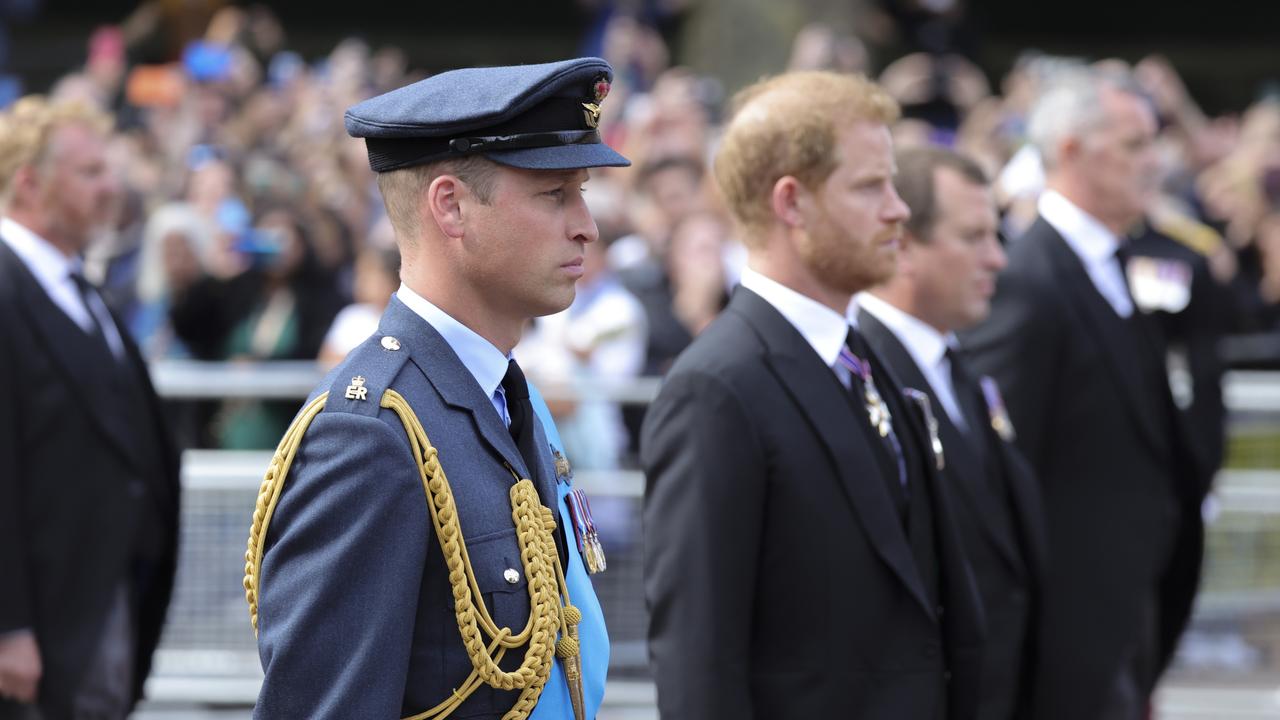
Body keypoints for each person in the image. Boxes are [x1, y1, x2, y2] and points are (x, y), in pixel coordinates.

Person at [246, 57, 629, 719]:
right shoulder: (370, 435)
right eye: (553, 194)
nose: (585, 226)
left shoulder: (509, 394)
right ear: (451, 206)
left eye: (583, 193)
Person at [641, 70, 985, 720]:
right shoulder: (716, 390)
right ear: (792, 203)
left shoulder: (867, 361)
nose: (898, 208)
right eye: (869, 186)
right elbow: (699, 663)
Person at [961, 68, 1208, 720]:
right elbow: (996, 476)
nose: (1153, 162)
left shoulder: (1121, 263)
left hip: (1124, 615)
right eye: (1132, 145)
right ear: (1069, 150)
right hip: (1062, 638)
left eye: (1152, 143)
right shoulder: (1028, 281)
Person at [0, 97, 180, 719]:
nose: (113, 188)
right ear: (29, 182)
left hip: (98, 604)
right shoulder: (7, 287)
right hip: (41, 628)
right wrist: (8, 627)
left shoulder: (77, 286)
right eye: (91, 173)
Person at [856, 146, 1048, 720]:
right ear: (905, 246)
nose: (997, 260)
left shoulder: (958, 367)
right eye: (974, 237)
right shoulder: (863, 373)